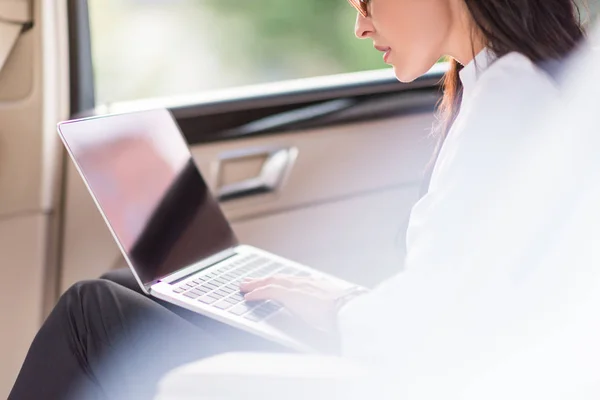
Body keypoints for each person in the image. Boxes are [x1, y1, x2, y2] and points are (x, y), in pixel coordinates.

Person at [9, 0, 587, 398]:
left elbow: (442, 331)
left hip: (394, 373)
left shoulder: (510, 99)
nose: (360, 26)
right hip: (393, 347)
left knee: (90, 313)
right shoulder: (494, 82)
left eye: (366, 1)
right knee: (129, 286)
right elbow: (460, 289)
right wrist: (342, 301)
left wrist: (338, 311)